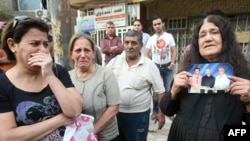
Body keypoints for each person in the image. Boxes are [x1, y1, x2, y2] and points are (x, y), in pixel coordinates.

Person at [160, 15, 250, 141]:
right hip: (181, 135)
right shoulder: (186, 73)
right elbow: (167, 110)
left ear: (226, 39)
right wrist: (173, 91)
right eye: (202, 35)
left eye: (214, 32)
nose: (208, 38)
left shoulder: (243, 78)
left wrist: (248, 102)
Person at [0, 16, 83, 140]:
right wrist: (59, 120)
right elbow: (7, 136)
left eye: (45, 44)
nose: (43, 50)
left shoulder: (57, 71)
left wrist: (50, 76)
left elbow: (75, 110)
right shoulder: (3, 84)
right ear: (12, 45)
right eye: (35, 43)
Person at [106, 30, 166, 141]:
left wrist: (161, 113)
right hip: (115, 115)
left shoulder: (150, 66)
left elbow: (160, 92)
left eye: (134, 43)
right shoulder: (114, 62)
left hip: (139, 116)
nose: (130, 46)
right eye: (127, 42)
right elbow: (103, 83)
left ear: (141, 45)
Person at [68, 33, 121, 141]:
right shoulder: (68, 77)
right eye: (78, 50)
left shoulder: (106, 74)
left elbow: (113, 108)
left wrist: (89, 134)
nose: (83, 55)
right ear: (71, 55)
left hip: (106, 137)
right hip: (76, 137)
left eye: (87, 50)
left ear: (93, 53)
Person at [144, 15, 177, 121]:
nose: (157, 26)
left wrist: (172, 63)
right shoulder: (151, 39)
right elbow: (146, 53)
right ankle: (155, 112)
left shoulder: (169, 36)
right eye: (155, 24)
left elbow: (174, 50)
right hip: (156, 67)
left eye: (159, 23)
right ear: (153, 26)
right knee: (156, 92)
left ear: (162, 24)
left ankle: (169, 111)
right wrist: (150, 65)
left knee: (169, 90)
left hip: (167, 67)